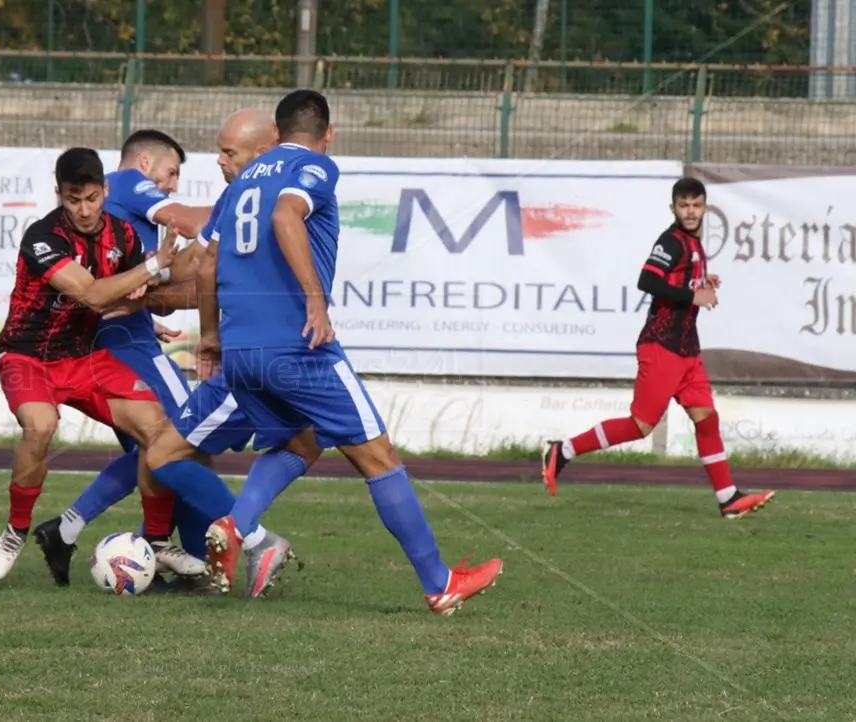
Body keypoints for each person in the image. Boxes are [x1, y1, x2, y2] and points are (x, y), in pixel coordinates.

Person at [145, 90, 504, 614]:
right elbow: (287, 216)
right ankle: (440, 583)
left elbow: (204, 266)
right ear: (327, 134)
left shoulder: (243, 181)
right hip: (297, 346)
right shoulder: (314, 166)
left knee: (304, 438)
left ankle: (235, 524)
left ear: (275, 133)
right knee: (379, 457)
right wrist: (316, 301)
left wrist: (211, 338)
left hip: (241, 350)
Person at [35, 114, 314, 596]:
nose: (173, 185)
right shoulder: (125, 182)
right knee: (179, 442)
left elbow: (180, 270)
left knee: (160, 449)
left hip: (122, 334)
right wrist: (248, 204)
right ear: (146, 162)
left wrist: (156, 297)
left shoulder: (118, 227)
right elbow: (190, 222)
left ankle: (76, 530)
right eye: (170, 174)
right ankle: (242, 541)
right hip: (122, 340)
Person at [0, 147, 186, 582]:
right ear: (59, 195)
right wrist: (154, 265)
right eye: (73, 200)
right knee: (40, 425)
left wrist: (148, 309)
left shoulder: (122, 236)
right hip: (26, 354)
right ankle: (16, 530)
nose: (84, 210)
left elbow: (139, 292)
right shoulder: (43, 236)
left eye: (92, 198)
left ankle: (158, 540)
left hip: (82, 357)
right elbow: (93, 294)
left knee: (161, 431)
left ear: (104, 190)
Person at [541, 178, 776, 518]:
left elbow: (678, 282)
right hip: (662, 347)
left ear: (705, 207)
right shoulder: (672, 241)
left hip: (687, 352)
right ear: (674, 208)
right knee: (640, 425)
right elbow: (647, 281)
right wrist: (694, 294)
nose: (690, 211)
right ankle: (562, 451)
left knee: (707, 419)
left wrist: (702, 283)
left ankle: (728, 499)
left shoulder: (694, 245)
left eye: (696, 205)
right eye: (684, 205)